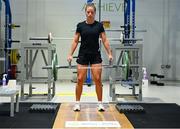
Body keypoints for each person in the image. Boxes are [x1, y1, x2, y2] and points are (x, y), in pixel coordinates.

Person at [67, 3, 113, 112]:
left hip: (95, 56)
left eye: (92, 12)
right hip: (83, 55)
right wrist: (70, 54)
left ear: (95, 13)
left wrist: (109, 54)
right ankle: (77, 103)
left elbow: (105, 40)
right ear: (85, 13)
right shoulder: (80, 25)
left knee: (97, 79)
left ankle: (100, 103)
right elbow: (75, 41)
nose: (90, 14)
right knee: (79, 79)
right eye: (88, 12)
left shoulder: (99, 26)